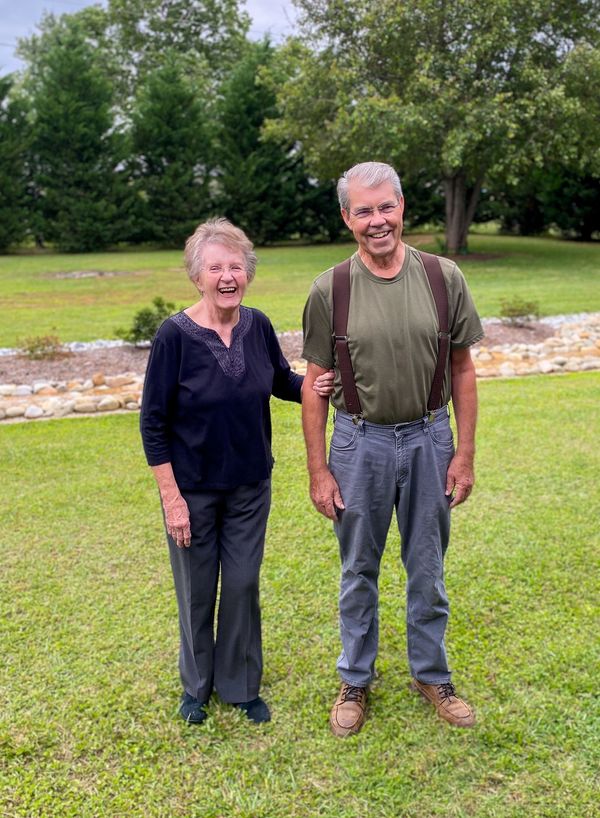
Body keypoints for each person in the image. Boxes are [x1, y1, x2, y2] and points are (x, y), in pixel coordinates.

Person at [301, 162, 484, 737]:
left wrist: (464, 454)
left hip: (431, 438)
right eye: (364, 211)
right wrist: (318, 470)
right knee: (358, 567)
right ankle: (355, 679)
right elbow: (313, 384)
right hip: (359, 443)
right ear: (346, 217)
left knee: (427, 566)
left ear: (402, 207)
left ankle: (431, 675)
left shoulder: (443, 277)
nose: (377, 221)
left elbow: (463, 369)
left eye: (386, 207)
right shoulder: (330, 289)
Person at [140, 218, 333, 725]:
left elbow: (280, 379)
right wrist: (172, 499)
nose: (227, 276)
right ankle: (196, 688)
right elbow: (153, 423)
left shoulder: (257, 325)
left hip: (250, 485)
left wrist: (315, 385)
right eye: (215, 268)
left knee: (243, 584)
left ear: (247, 272)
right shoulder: (173, 336)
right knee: (197, 590)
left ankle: (241, 686)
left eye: (236, 266)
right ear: (197, 277)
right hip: (192, 490)